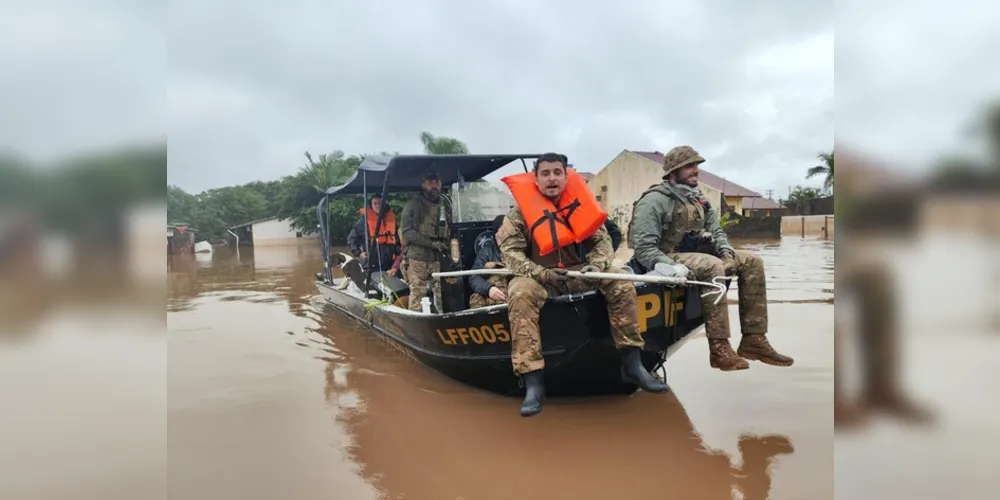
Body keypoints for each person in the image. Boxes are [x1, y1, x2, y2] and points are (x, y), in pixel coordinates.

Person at [499, 152, 667, 417]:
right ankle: (533, 380)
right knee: (519, 293)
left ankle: (632, 362)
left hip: (580, 274)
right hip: (539, 278)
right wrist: (540, 273)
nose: (552, 178)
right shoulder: (519, 214)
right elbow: (510, 253)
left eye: (557, 172)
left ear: (566, 176)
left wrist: (596, 267)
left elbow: (602, 243)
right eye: (545, 173)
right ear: (536, 178)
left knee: (620, 281)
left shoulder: (579, 205)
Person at [627, 145, 793, 371]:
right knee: (713, 266)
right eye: (689, 166)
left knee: (752, 261)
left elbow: (717, 232)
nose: (696, 170)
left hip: (697, 255)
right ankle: (719, 349)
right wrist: (671, 266)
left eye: (697, 165)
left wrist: (726, 253)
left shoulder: (699, 200)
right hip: (666, 259)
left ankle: (754, 339)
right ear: (673, 171)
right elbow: (644, 249)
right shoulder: (654, 200)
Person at [399, 172, 453, 312]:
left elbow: (451, 226)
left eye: (436, 183)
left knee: (443, 295)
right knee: (417, 295)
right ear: (423, 185)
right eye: (430, 183)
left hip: (439, 257)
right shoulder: (413, 205)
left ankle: (443, 322)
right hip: (418, 258)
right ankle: (414, 327)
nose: (434, 186)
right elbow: (407, 232)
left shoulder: (446, 203)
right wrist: (432, 244)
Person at [347, 194, 401, 273]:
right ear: (371, 205)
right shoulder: (364, 221)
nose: (378, 205)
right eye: (375, 203)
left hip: (390, 262)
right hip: (373, 261)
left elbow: (397, 240)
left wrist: (399, 256)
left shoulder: (391, 218)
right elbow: (351, 239)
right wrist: (358, 253)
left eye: (380, 203)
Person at [468, 215, 509, 308]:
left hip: (512, 290)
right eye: (505, 227)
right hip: (493, 290)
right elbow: (473, 277)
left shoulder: (518, 250)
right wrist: (489, 289)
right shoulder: (486, 252)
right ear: (497, 232)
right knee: (476, 299)